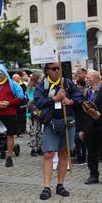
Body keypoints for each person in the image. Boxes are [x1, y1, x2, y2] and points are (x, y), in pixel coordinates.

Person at [34, 63, 83, 200]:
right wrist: (54, 99)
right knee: (49, 154)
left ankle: (60, 185)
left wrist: (71, 101)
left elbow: (80, 98)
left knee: (64, 152)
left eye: (58, 68)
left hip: (68, 123)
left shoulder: (67, 83)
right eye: (53, 68)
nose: (57, 71)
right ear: (47, 70)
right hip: (51, 123)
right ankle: (47, 187)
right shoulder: (42, 85)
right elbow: (38, 102)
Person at [0, 64, 24, 167]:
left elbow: (20, 97)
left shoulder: (12, 84)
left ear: (5, 74)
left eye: (0, 73)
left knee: (10, 135)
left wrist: (9, 103)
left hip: (10, 113)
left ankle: (9, 157)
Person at [79, 70, 102, 184]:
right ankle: (93, 175)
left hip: (101, 124)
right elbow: (83, 113)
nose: (86, 79)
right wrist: (82, 130)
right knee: (91, 152)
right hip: (89, 126)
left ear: (95, 78)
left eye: (88, 78)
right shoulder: (86, 92)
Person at [26, 72, 43, 156]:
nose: (42, 80)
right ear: (36, 79)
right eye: (40, 78)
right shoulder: (30, 88)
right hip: (31, 111)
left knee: (39, 130)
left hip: (40, 110)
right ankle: (33, 148)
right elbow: (30, 100)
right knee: (33, 129)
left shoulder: (41, 87)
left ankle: (39, 147)